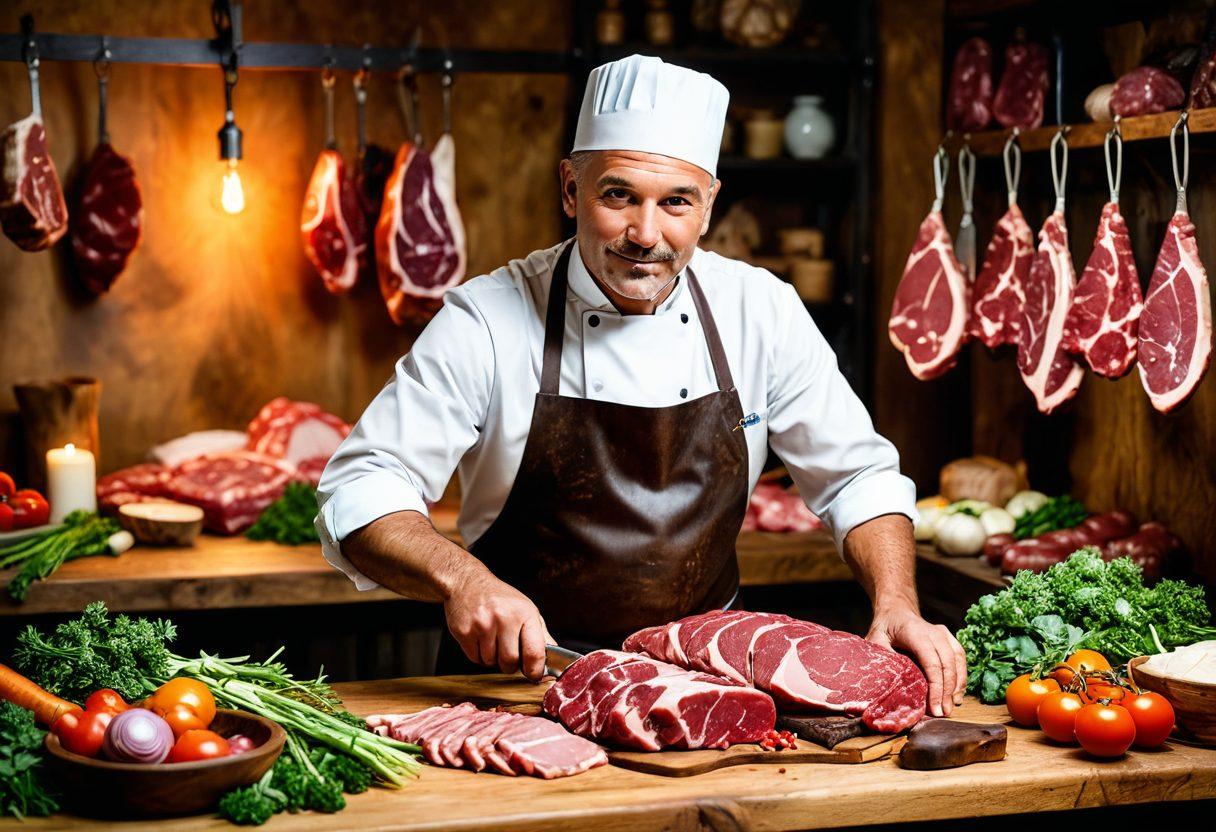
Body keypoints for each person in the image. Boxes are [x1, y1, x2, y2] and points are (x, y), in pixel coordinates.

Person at [317, 55, 966, 717]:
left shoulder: (759, 310)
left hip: (705, 689)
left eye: (675, 203)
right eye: (618, 195)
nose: (645, 235)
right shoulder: (485, 319)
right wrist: (463, 579)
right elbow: (363, 482)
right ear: (570, 189)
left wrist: (897, 603)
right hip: (515, 688)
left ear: (708, 205)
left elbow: (857, 476)